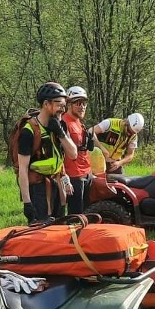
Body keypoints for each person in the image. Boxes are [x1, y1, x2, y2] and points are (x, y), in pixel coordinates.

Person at [17, 82, 78, 224]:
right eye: (59, 105)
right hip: (38, 188)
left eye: (64, 106)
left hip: (57, 185)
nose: (62, 110)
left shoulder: (60, 125)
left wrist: (60, 133)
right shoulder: (29, 131)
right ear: (46, 104)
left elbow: (73, 154)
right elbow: (22, 169)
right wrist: (27, 202)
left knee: (60, 228)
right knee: (41, 232)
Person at [62, 86, 96, 215]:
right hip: (74, 175)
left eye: (84, 103)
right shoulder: (64, 123)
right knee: (76, 214)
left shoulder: (79, 122)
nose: (82, 107)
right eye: (78, 103)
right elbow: (60, 153)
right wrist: (65, 179)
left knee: (87, 211)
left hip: (86, 173)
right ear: (69, 104)